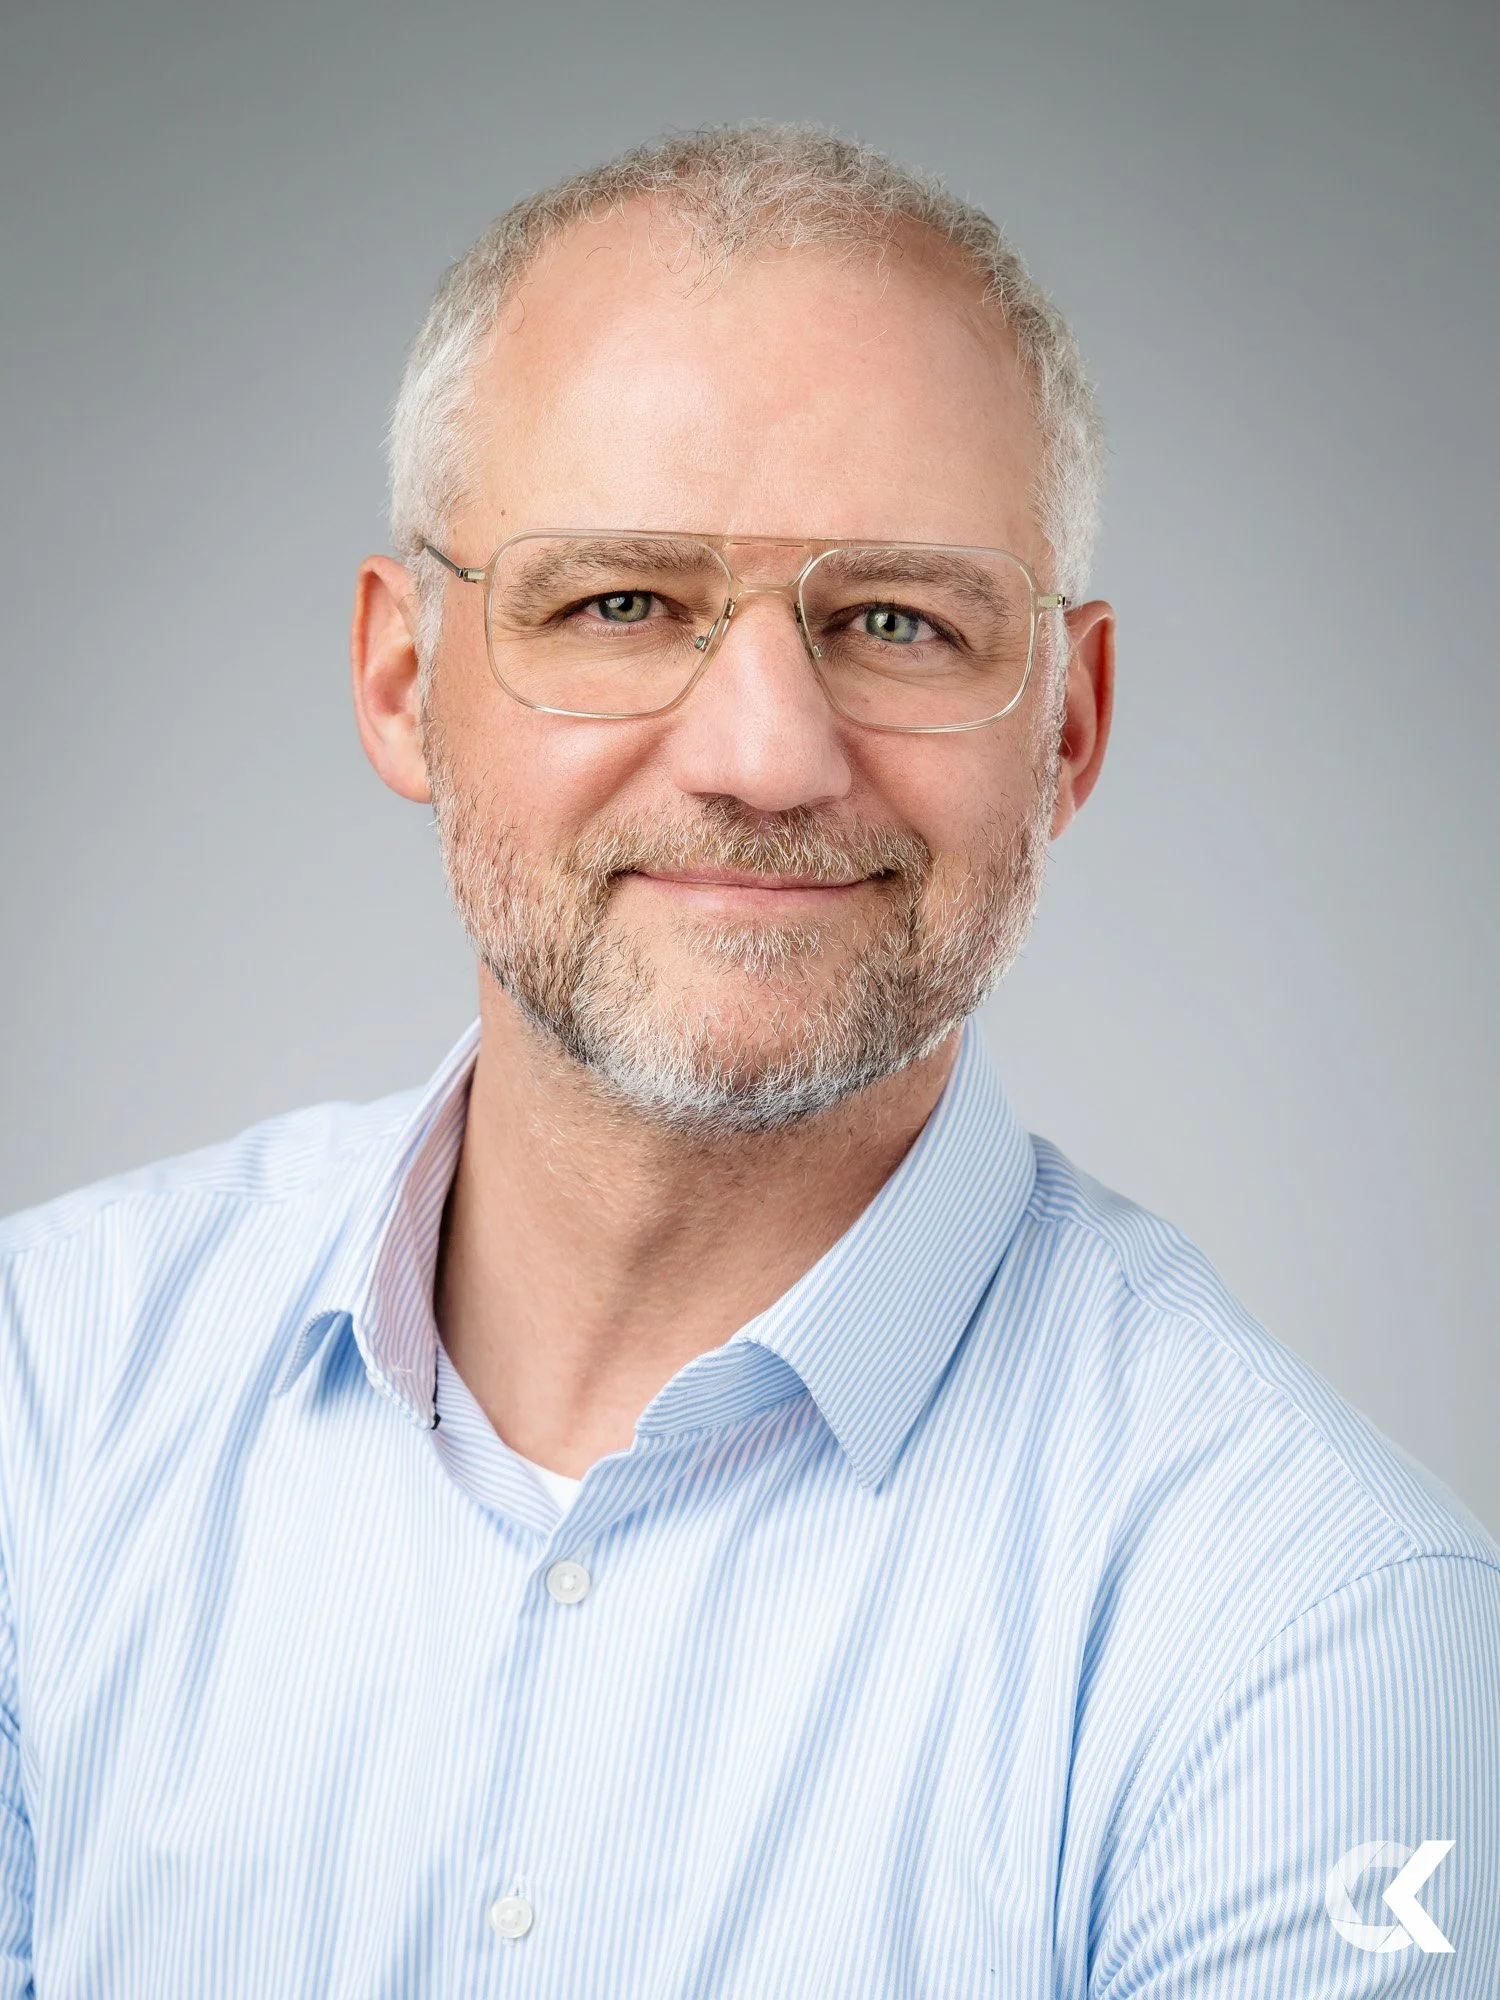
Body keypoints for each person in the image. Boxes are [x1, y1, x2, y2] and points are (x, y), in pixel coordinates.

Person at [1, 125, 1495, 1999]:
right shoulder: (38, 1417)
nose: (765, 755)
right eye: (622, 602)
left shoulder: (1320, 1641)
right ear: (402, 682)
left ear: (1072, 727)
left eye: (899, 621)